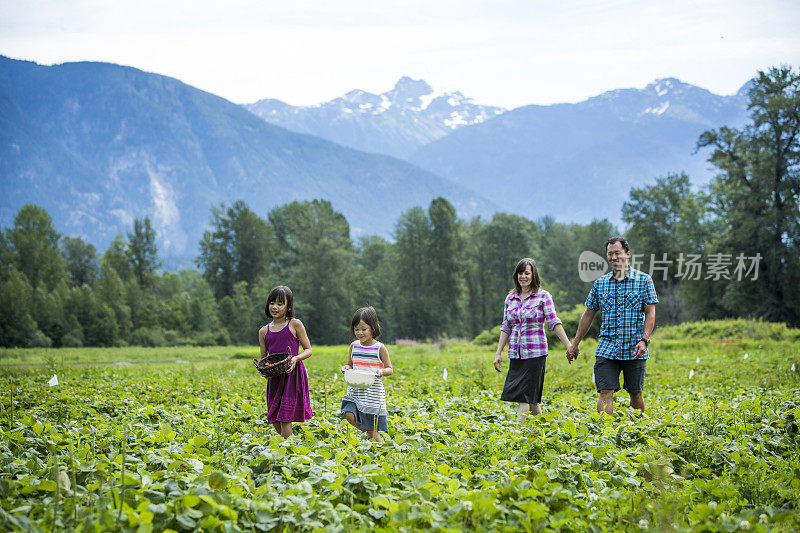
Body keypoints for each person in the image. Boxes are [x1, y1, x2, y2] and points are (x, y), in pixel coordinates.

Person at [566, 237, 658, 416]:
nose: (614, 257)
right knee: (605, 391)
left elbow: (650, 313)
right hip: (607, 347)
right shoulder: (600, 283)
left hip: (635, 347)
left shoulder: (644, 280)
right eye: (610, 254)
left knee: (635, 393)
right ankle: (604, 433)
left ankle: (637, 430)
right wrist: (575, 343)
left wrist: (645, 340)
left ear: (627, 254)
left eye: (617, 253)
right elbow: (588, 314)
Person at [493, 258, 572, 423]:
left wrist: (569, 346)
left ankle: (517, 437)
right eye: (520, 273)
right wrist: (498, 353)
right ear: (516, 275)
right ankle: (543, 430)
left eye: (527, 273)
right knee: (532, 400)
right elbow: (506, 326)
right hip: (516, 354)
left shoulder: (543, 297)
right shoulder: (510, 298)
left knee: (524, 396)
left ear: (533, 275)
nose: (523, 277)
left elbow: (554, 323)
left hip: (536, 354)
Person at [258, 285, 313, 438]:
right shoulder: (263, 331)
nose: (275, 307)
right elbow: (264, 359)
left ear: (288, 307)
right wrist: (266, 371)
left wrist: (295, 358)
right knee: (274, 418)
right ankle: (291, 445)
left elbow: (308, 350)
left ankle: (288, 453)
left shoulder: (295, 324)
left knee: (284, 418)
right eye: (272, 303)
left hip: (292, 375)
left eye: (280, 303)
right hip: (275, 377)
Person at [340, 306, 393, 442]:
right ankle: (370, 434)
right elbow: (350, 364)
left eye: (364, 329)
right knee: (349, 414)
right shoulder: (354, 346)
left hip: (372, 393)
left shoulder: (379, 348)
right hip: (355, 389)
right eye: (356, 329)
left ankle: (377, 445)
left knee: (371, 424)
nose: (360, 333)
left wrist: (381, 371)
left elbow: (389, 369)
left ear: (373, 328)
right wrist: (346, 368)